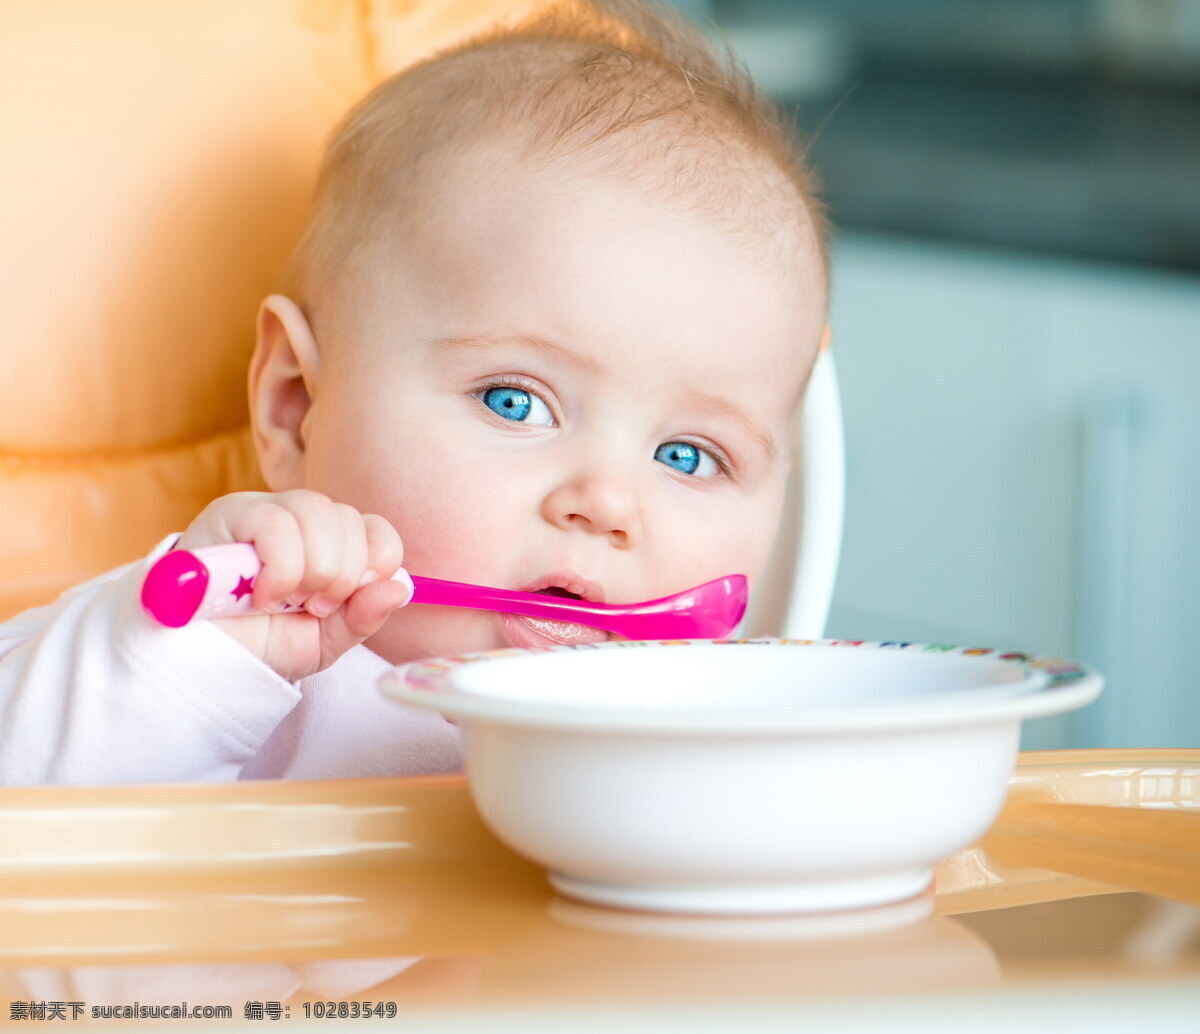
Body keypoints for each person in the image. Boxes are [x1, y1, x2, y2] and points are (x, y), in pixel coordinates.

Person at [0, 0, 829, 785]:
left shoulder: (707, 753)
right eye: (516, 401)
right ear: (295, 405)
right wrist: (183, 663)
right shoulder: (227, 653)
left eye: (688, 456)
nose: (607, 503)